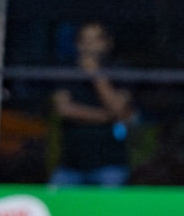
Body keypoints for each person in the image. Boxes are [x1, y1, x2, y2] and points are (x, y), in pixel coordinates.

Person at [50, 22, 134, 187]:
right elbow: (64, 110)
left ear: (107, 43)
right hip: (70, 165)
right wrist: (107, 117)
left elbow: (118, 108)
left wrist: (96, 74)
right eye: (84, 40)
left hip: (110, 164)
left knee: (110, 210)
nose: (89, 46)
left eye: (95, 40)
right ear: (77, 44)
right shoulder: (66, 71)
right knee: (54, 203)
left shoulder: (120, 71)